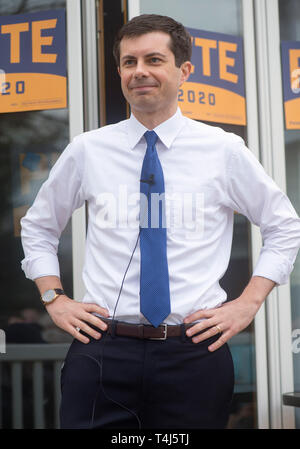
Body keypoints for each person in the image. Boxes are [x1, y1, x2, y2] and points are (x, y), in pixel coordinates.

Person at [20, 14, 300, 429]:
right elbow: (39, 226)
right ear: (119, 72)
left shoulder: (223, 150)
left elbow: (284, 227)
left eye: (154, 59)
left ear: (184, 70)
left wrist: (248, 303)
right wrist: (54, 298)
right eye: (129, 62)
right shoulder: (88, 150)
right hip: (102, 350)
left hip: (193, 353)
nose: (140, 72)